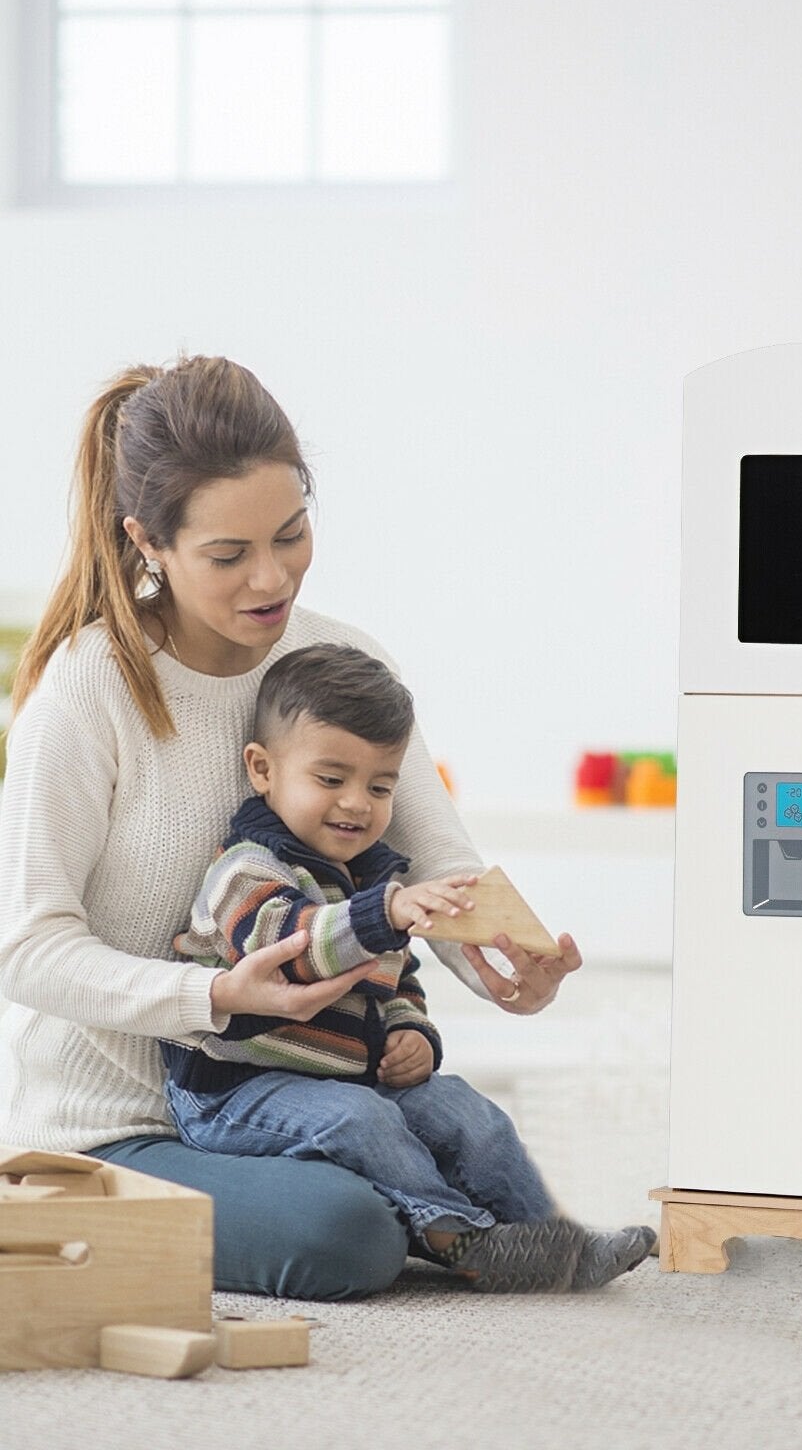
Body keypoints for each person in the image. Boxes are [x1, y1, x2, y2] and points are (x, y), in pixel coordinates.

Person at [0, 356, 648, 1299]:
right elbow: (26, 948)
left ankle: (479, 1231)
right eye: (228, 556)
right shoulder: (89, 688)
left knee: (455, 1130)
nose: (272, 578)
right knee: (348, 1235)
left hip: (320, 1088)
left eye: (292, 535)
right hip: (127, 1122)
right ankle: (62, 1201)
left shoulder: (340, 661)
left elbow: (436, 862)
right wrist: (216, 996)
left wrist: (507, 964)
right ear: (148, 542)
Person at [162, 642, 652, 1293]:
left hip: (349, 1079)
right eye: (331, 780)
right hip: (235, 1091)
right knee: (363, 1122)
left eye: (380, 786)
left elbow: (397, 979)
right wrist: (385, 913)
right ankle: (464, 1238)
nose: (357, 804)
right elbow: (297, 947)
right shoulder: (246, 870)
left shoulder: (372, 878)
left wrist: (410, 1032)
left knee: (464, 1108)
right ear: (263, 770)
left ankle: (554, 1237)